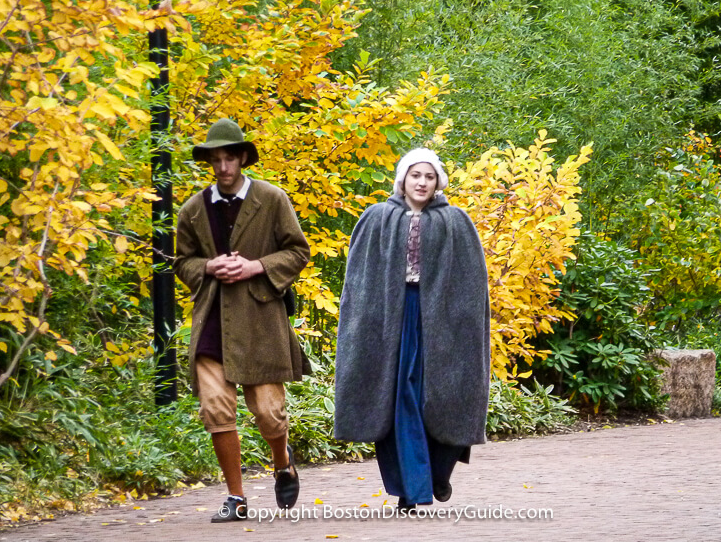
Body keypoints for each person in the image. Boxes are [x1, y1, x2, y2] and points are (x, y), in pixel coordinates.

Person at [334, 147, 491, 510]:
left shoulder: (456, 221)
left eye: (429, 176)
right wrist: (362, 325)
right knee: (396, 401)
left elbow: (473, 285)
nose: (422, 182)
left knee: (445, 399)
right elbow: (357, 283)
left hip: (443, 324)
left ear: (438, 182)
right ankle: (412, 491)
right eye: (415, 175)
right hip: (389, 323)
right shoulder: (376, 218)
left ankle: (437, 473)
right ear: (402, 178)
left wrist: (463, 326)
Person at [174, 118, 310, 522]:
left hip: (260, 320)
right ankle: (235, 497)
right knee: (216, 409)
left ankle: (282, 462)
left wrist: (256, 267)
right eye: (215, 159)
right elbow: (182, 262)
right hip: (212, 320)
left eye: (229, 158)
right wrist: (208, 266)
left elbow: (298, 251)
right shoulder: (193, 209)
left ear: (242, 158)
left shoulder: (271, 199)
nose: (222, 167)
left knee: (269, 412)